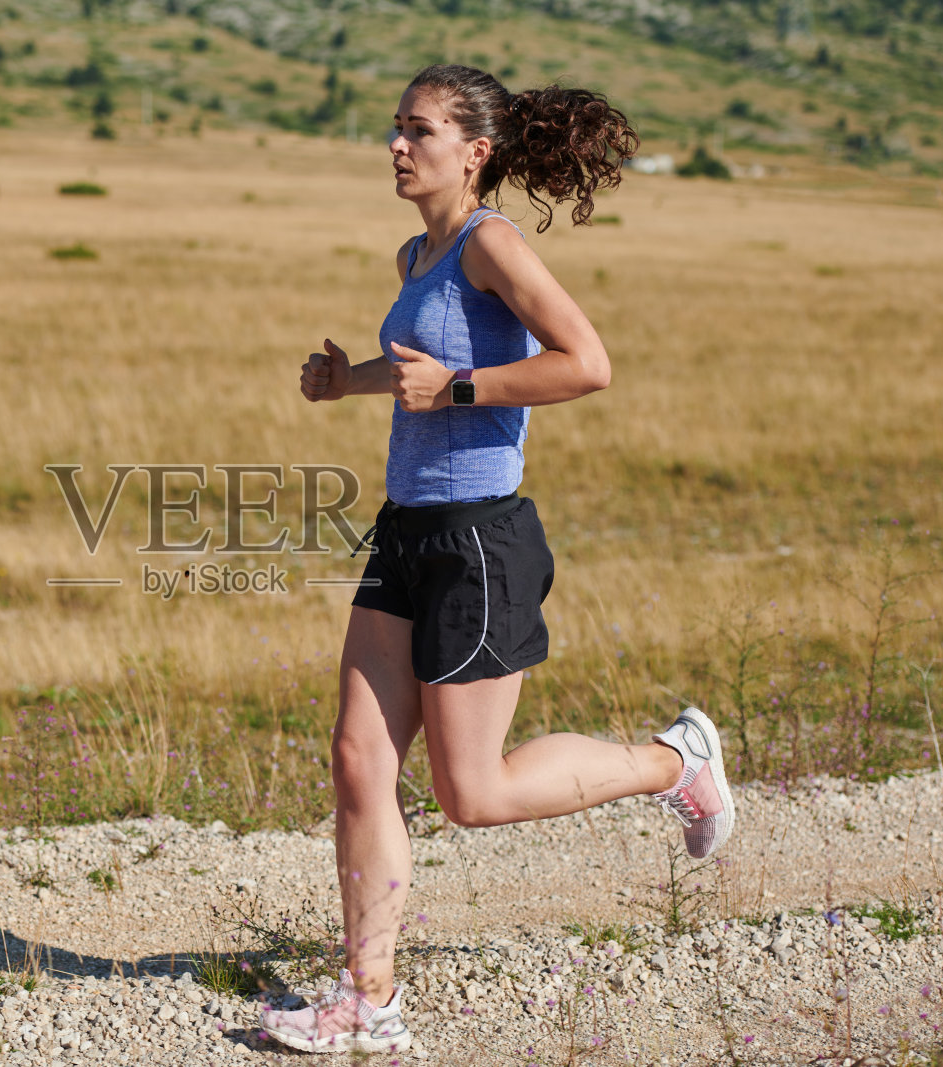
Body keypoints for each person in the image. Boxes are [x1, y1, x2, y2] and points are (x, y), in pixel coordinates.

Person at [258, 64, 737, 1055]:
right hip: (406, 529)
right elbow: (415, 368)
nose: (398, 146)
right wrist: (344, 380)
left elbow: (584, 362)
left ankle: (672, 760)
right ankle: (369, 999)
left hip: (480, 537)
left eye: (419, 131)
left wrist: (464, 389)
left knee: (470, 794)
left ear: (473, 151)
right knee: (357, 758)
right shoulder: (416, 253)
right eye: (394, 128)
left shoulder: (492, 243)